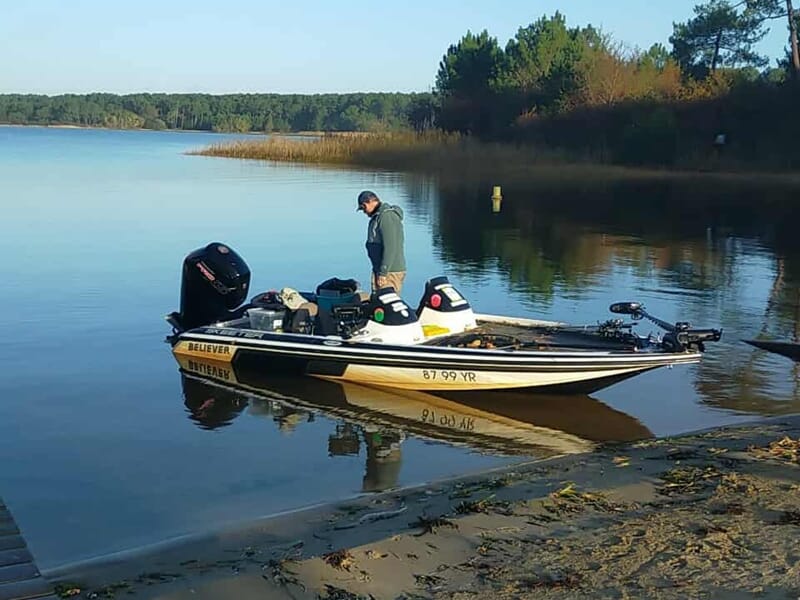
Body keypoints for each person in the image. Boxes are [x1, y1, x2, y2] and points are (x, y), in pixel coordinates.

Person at [356, 190, 406, 294]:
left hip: (390, 272)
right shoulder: (377, 217)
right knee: (378, 303)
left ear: (370, 201)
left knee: (387, 304)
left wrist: (383, 272)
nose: (364, 212)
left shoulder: (386, 217)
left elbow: (391, 246)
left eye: (363, 207)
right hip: (380, 270)